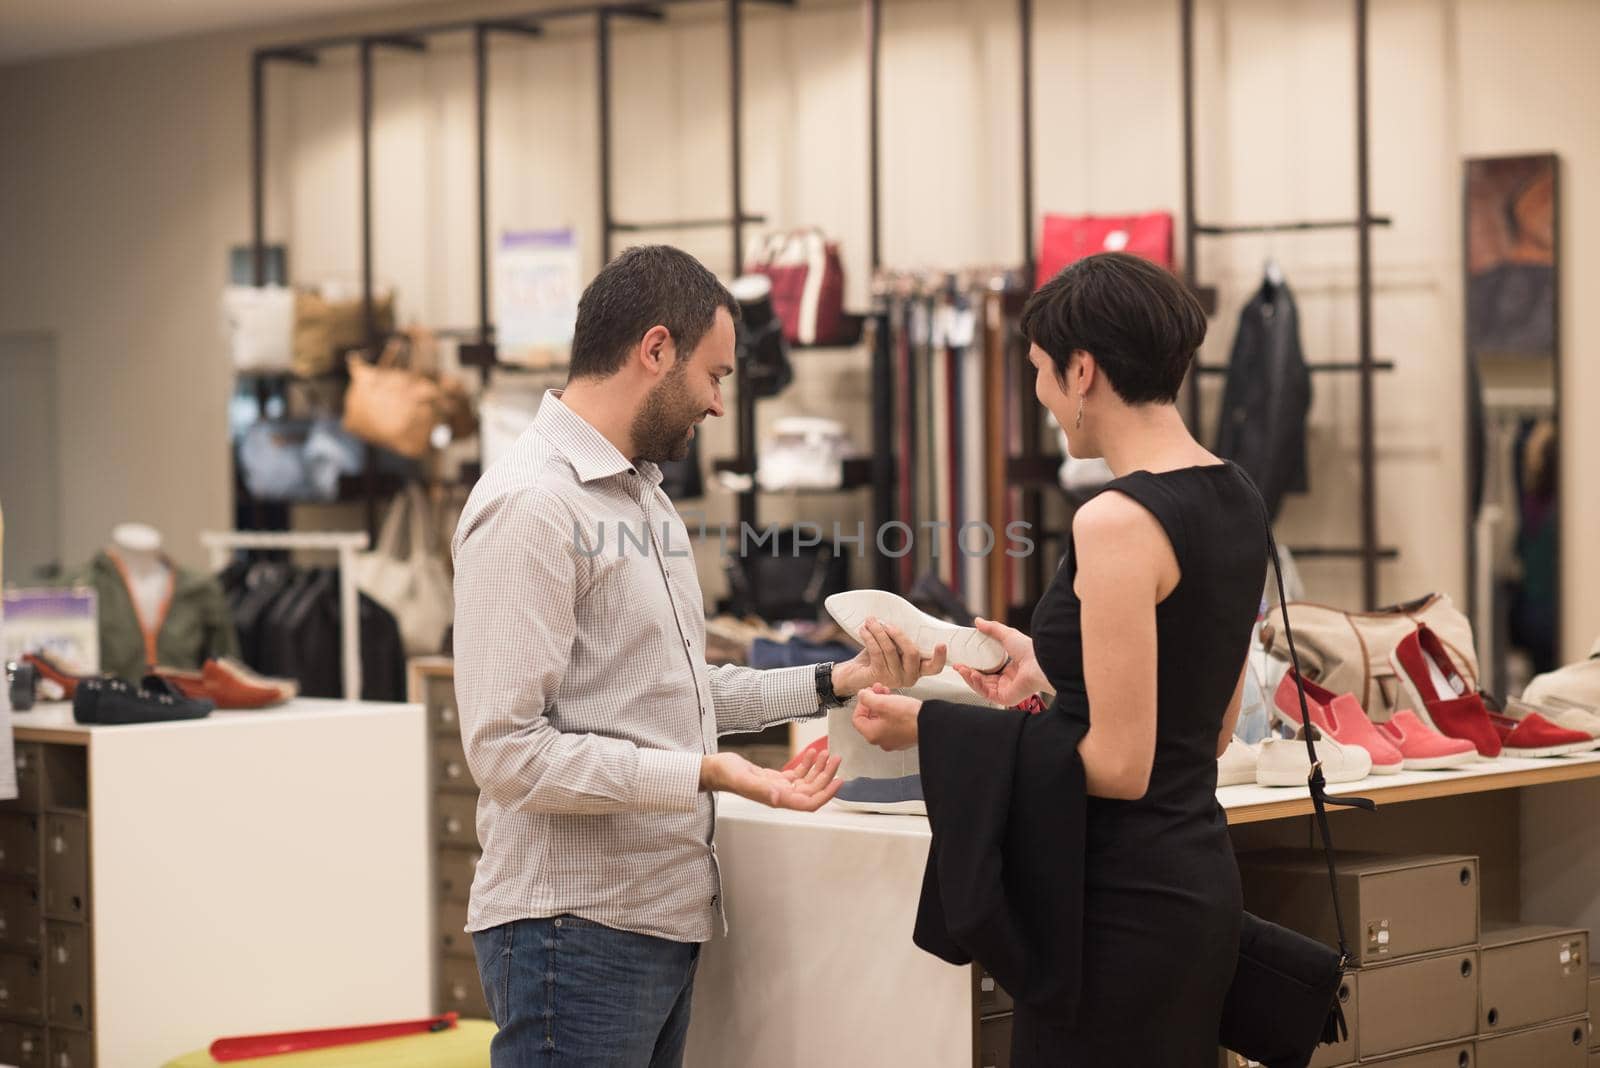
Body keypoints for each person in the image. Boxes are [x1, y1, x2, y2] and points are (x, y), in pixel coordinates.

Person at [452, 244, 945, 1068]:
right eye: (714, 376)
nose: (719, 405)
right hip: (569, 934)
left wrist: (836, 679)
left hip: (657, 922)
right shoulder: (532, 506)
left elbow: (678, 694)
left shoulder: (643, 498)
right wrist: (704, 773)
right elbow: (507, 755)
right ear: (654, 351)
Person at [854, 251, 1267, 1065]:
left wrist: (933, 730)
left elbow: (1119, 763)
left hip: (1117, 909)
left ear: (1083, 370)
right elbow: (1208, 726)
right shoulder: (1235, 493)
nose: (1040, 395)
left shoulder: (1115, 521)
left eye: (1041, 370)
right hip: (1194, 886)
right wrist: (1052, 670)